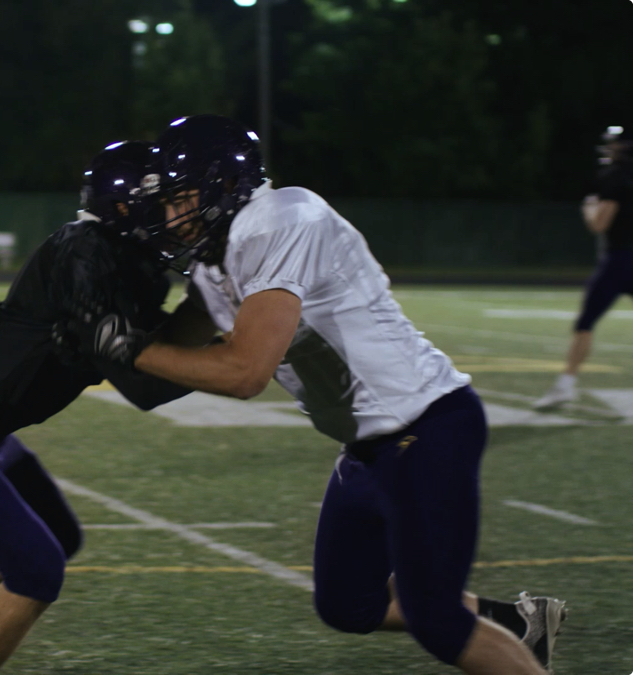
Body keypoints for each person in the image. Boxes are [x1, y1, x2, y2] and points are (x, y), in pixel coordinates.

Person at [62, 115, 567, 673]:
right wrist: (89, 334)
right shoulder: (214, 261)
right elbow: (160, 370)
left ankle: (496, 639)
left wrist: (122, 344)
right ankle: (518, 625)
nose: (171, 217)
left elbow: (245, 372)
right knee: (349, 604)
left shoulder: (282, 219)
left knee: (435, 618)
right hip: (369, 447)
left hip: (425, 426)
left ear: (225, 184)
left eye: (181, 198)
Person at [0, 141, 191, 675]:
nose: (176, 213)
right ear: (125, 205)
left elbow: (157, 358)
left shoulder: (125, 261)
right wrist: (232, 354)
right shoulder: (86, 251)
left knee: (58, 536)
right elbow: (143, 386)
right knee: (38, 571)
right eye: (165, 200)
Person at [534, 125, 633, 410]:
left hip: (619, 260)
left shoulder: (616, 177)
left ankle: (565, 385)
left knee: (585, 324)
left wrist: (589, 209)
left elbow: (600, 224)